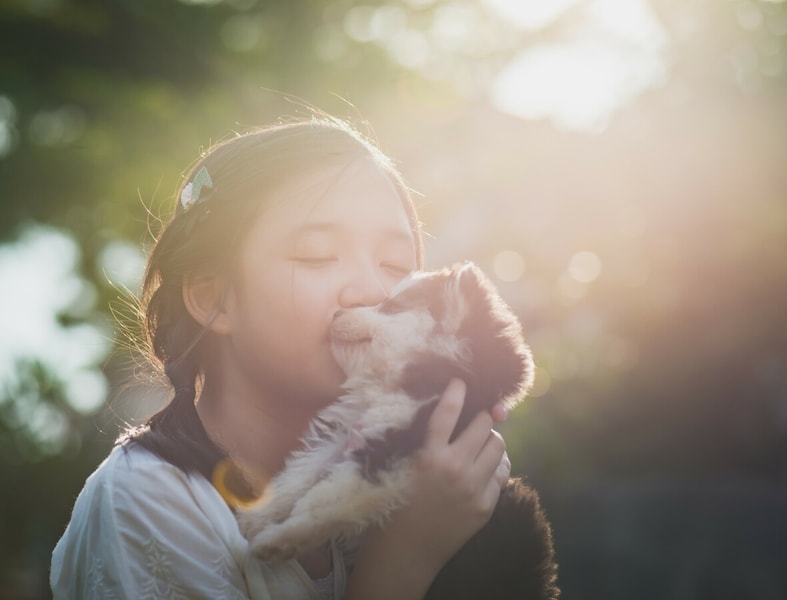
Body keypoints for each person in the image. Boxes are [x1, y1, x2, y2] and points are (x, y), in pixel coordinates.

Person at [50, 117, 512, 599]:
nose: (373, 292)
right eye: (316, 255)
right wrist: (405, 559)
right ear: (214, 299)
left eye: (396, 267)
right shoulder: (146, 502)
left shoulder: (420, 485)